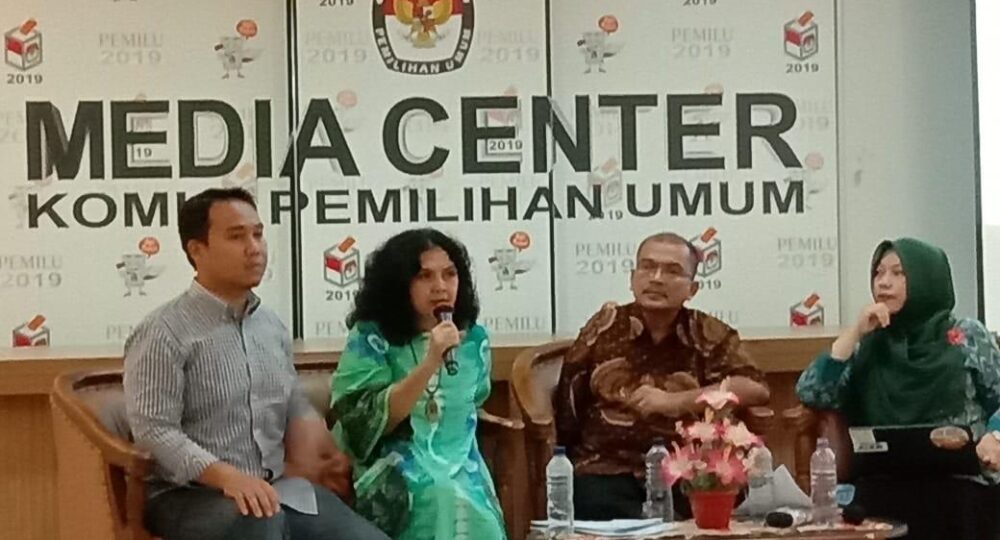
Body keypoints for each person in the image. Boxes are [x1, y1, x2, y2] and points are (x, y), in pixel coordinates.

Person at [124, 188, 388, 540]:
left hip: (275, 489)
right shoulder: (164, 331)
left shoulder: (271, 327)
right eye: (237, 237)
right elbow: (155, 431)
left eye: (258, 234)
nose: (255, 248)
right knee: (261, 521)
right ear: (197, 250)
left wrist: (317, 441)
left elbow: (290, 400)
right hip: (188, 496)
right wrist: (227, 477)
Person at [555, 232, 770, 520]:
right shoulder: (605, 327)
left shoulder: (707, 332)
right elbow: (569, 402)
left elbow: (755, 387)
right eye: (647, 267)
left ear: (692, 289)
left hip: (687, 471)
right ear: (632, 278)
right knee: (595, 502)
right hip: (607, 469)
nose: (656, 278)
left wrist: (676, 401)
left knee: (711, 503)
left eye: (672, 271)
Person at [797, 237, 1000, 540]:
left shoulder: (967, 336)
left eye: (898, 273)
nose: (884, 282)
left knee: (959, 505)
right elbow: (812, 393)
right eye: (878, 273)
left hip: (959, 483)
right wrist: (854, 333)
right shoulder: (870, 342)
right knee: (869, 510)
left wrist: (995, 437)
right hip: (882, 482)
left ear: (926, 278)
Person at [329, 228, 506, 540]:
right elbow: (361, 423)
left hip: (461, 461)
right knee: (436, 497)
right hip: (395, 462)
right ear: (399, 283)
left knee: (477, 513)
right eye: (425, 276)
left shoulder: (474, 340)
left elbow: (475, 399)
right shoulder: (371, 338)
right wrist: (430, 362)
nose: (440, 287)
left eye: (449, 274)